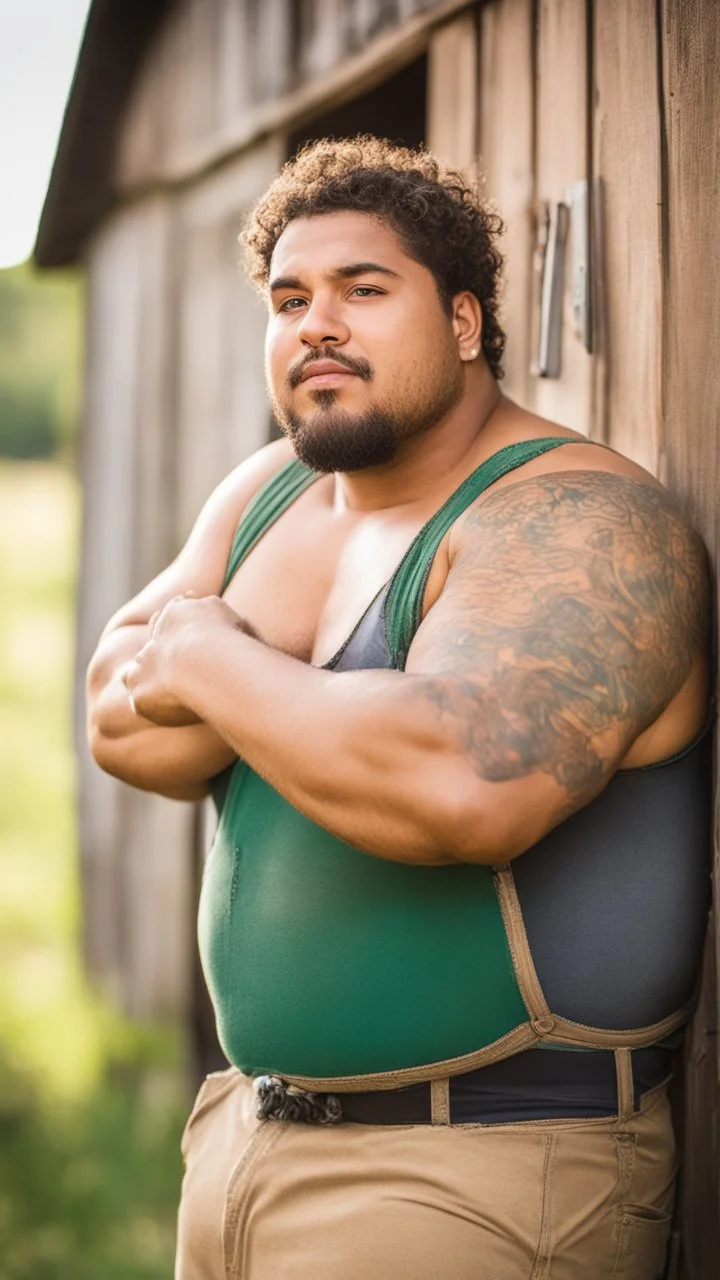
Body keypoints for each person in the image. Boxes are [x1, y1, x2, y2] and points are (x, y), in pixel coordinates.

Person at [87, 137, 711, 1280]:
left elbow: (459, 784)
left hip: (476, 1170)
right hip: (239, 1146)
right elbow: (119, 726)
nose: (317, 323)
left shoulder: (583, 519)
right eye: (289, 300)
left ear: (466, 323)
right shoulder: (269, 491)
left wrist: (208, 653)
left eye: (363, 291)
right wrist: (300, 696)